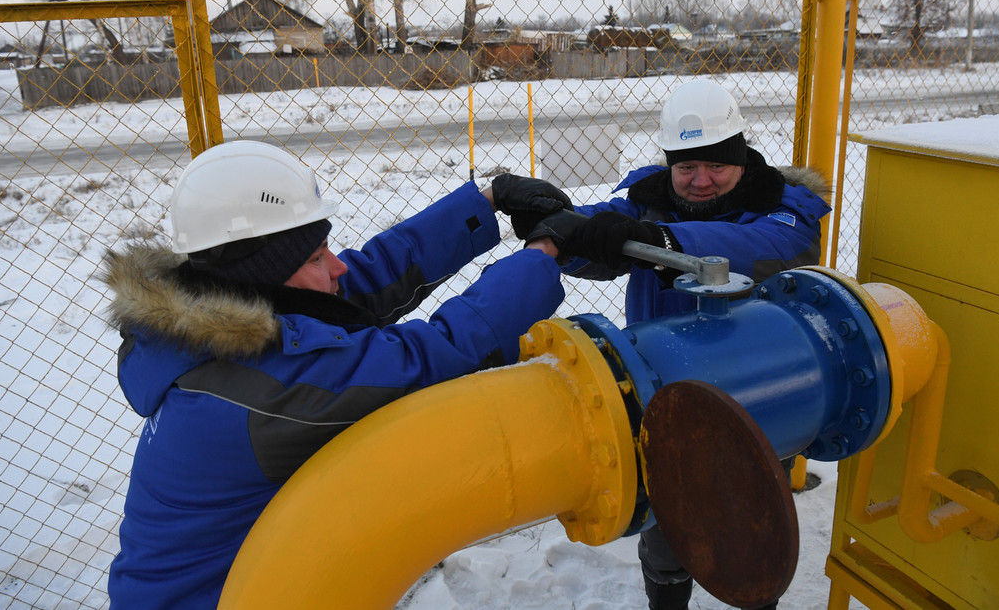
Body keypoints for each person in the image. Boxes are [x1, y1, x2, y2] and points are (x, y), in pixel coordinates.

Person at [102, 140, 572, 609]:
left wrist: (484, 204)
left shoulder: (203, 328)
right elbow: (438, 355)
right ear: (261, 281)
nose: (338, 265)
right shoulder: (263, 391)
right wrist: (543, 254)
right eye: (314, 258)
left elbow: (354, 285)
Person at [529, 79, 832, 610]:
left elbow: (770, 249)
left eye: (716, 165)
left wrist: (668, 244)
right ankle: (666, 597)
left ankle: (758, 596)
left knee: (752, 522)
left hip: (761, 393)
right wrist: (566, 231)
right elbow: (606, 239)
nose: (700, 180)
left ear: (740, 158)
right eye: (686, 166)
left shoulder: (785, 209)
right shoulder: (648, 204)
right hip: (663, 386)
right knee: (667, 514)